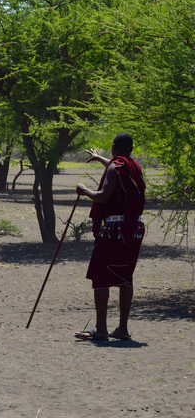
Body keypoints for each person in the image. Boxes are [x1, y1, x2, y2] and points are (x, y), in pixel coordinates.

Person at [74, 132, 146, 341]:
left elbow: (104, 197)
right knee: (125, 276)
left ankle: (102, 330)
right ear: (130, 149)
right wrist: (99, 159)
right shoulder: (134, 166)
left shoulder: (116, 167)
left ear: (114, 147)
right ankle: (122, 329)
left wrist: (85, 191)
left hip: (115, 229)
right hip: (134, 229)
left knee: (100, 275)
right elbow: (116, 167)